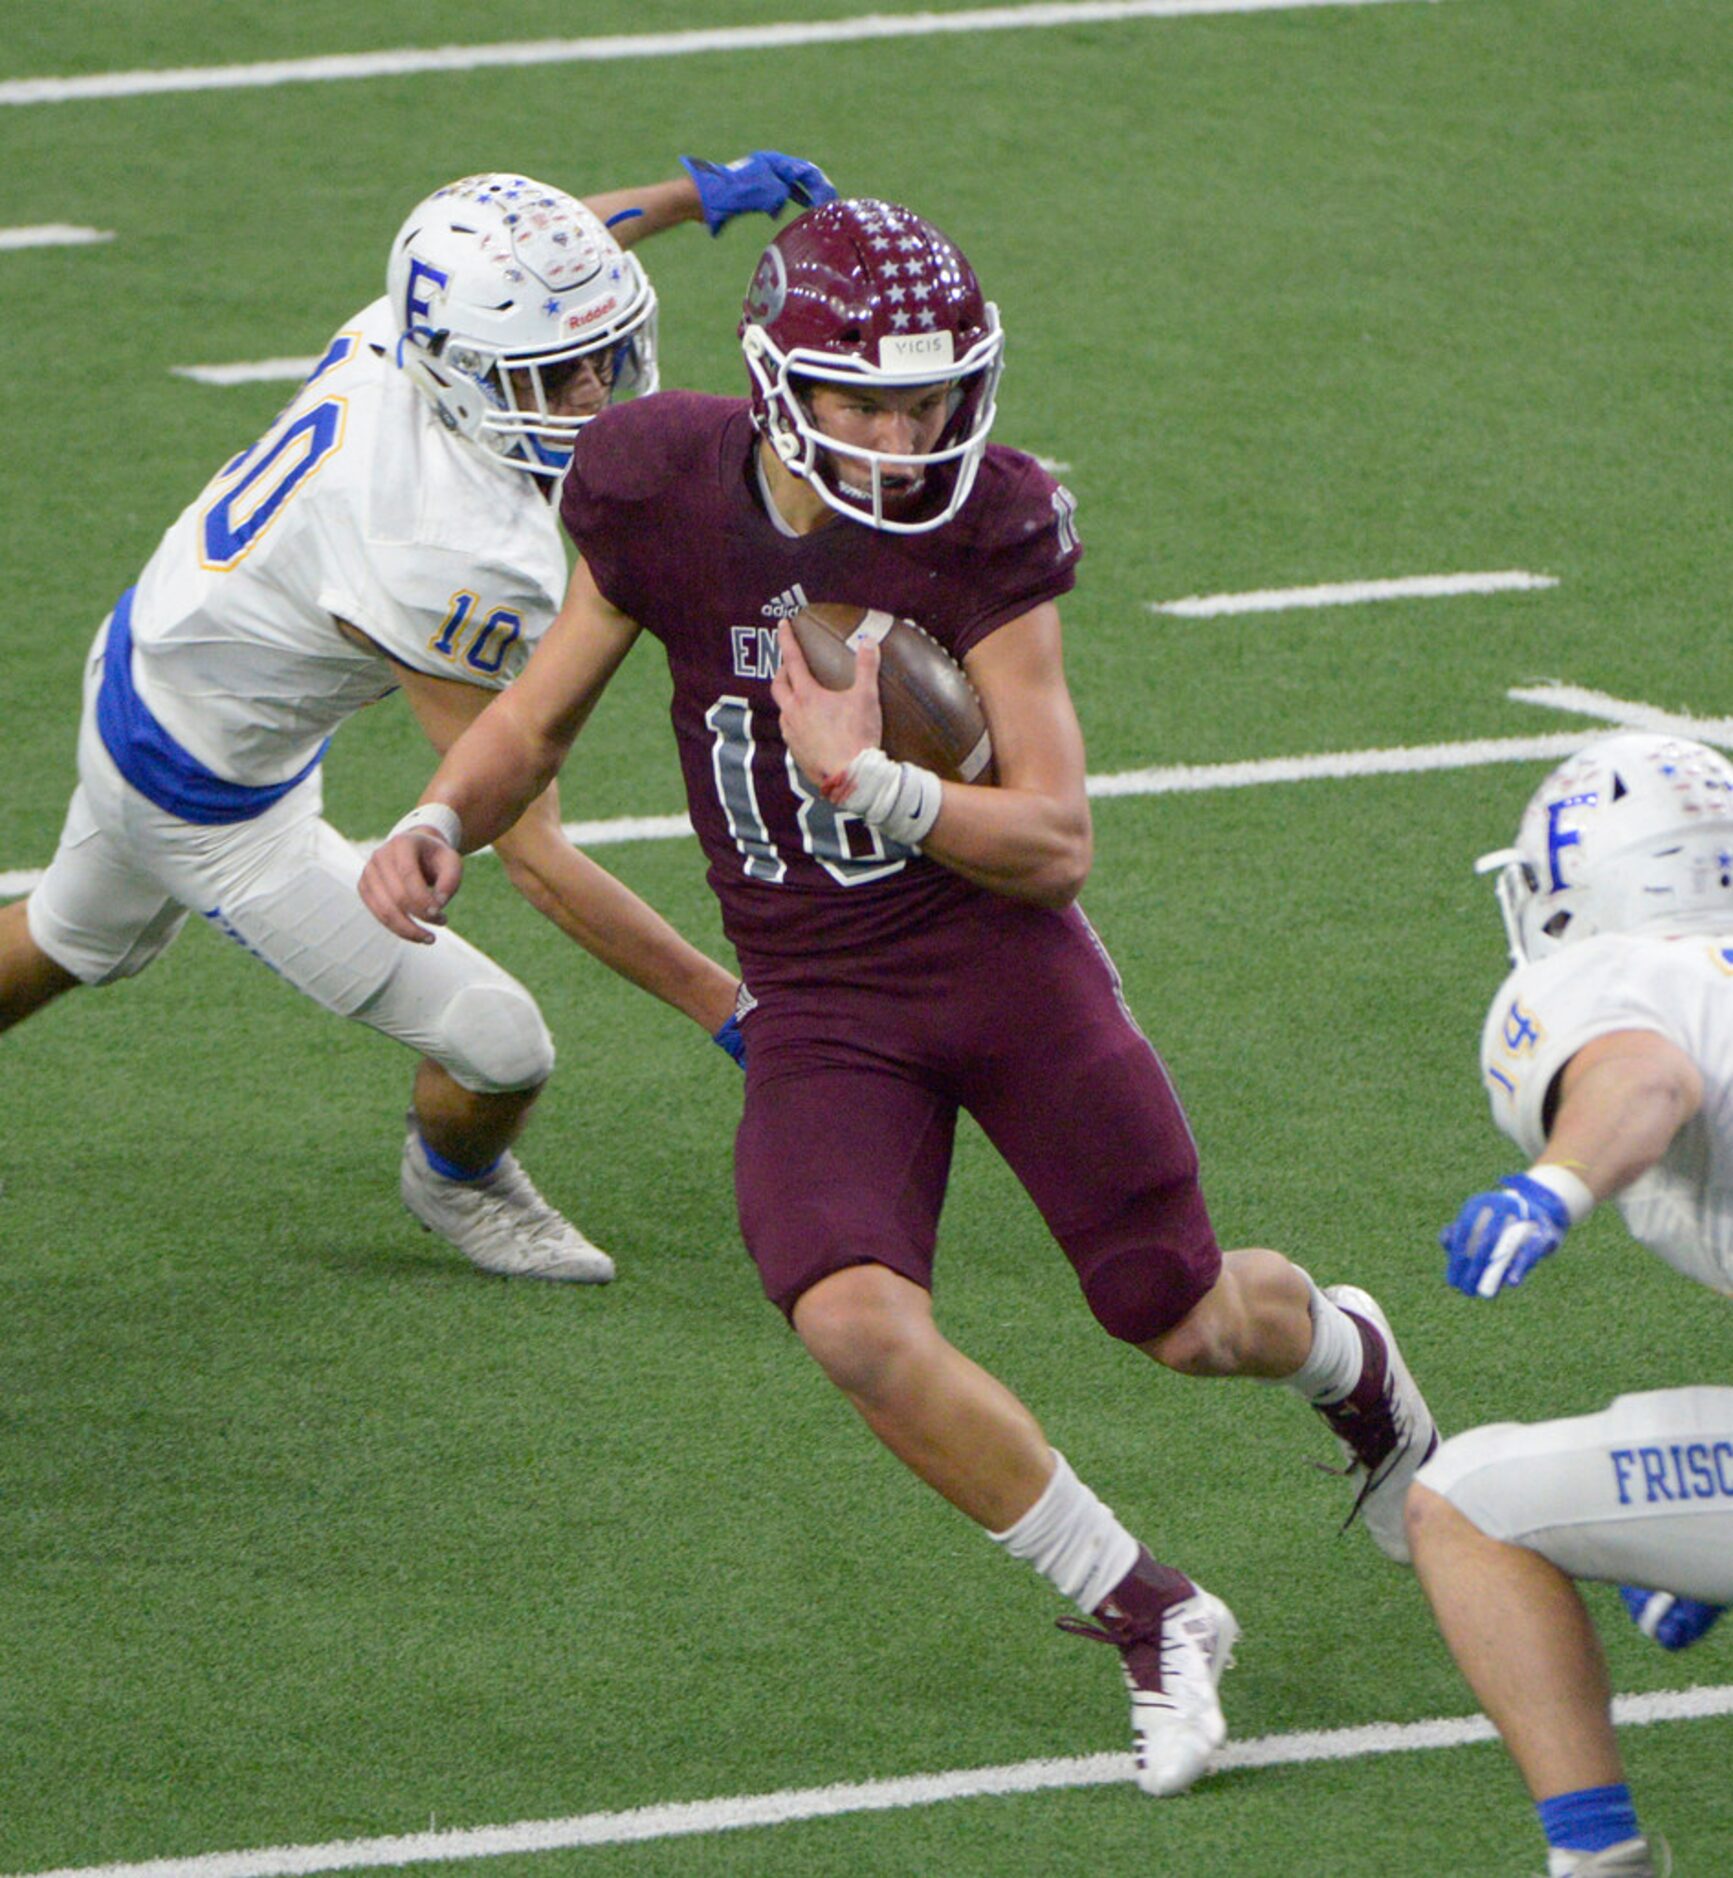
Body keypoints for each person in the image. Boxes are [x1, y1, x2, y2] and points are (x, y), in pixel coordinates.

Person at [358, 197, 1439, 1792]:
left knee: (1179, 1314)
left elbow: (1056, 839)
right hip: (815, 995)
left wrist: (872, 782)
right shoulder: (655, 478)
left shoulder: (986, 518)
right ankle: (1151, 1609)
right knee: (852, 1318)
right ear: (776, 380)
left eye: (931, 396)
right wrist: (444, 812)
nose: (907, 429)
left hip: (999, 963)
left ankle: (1354, 1363)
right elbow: (536, 717)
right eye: (866, 397)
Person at [0, 154, 835, 1283]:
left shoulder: (413, 333)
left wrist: (694, 198)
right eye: (560, 377)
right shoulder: (446, 553)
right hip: (202, 794)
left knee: (71, 934)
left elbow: (548, 260)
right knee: (499, 1043)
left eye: (603, 354)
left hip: (160, 661)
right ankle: (458, 1183)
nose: (599, 391)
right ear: (469, 377)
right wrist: (737, 1014)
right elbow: (527, 845)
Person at [1408, 731, 1733, 1878]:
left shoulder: (1600, 979)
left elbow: (1647, 1076)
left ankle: (1596, 1865)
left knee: (1462, 1505)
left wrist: (1550, 1186)